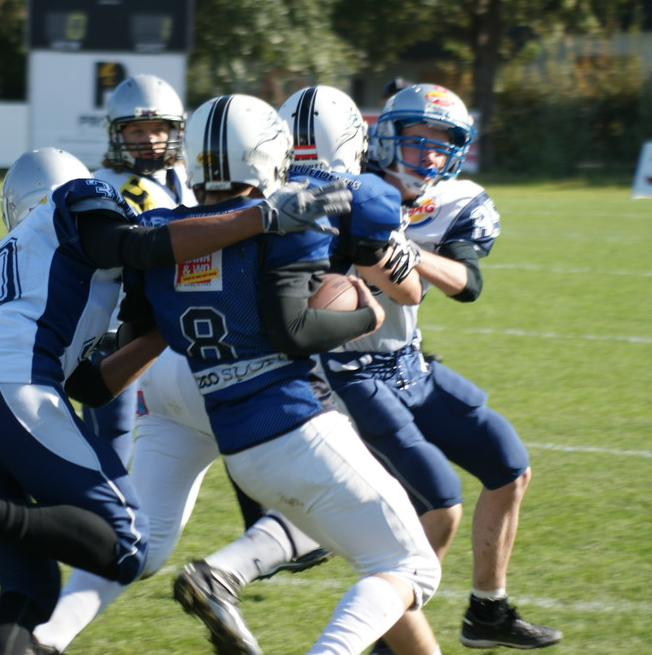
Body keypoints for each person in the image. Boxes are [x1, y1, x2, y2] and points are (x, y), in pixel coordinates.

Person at [26, 85, 420, 655]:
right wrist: (364, 305)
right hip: (253, 389)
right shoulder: (306, 205)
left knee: (146, 539)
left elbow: (137, 307)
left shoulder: (162, 218)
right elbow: (380, 288)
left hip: (169, 371)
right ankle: (228, 573)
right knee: (357, 527)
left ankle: (48, 638)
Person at [0, 144, 353, 655]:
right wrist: (264, 216)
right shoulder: (78, 203)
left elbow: (90, 386)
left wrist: (169, 327)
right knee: (128, 541)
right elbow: (138, 245)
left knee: (29, 589)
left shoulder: (16, 268)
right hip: (13, 392)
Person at [135, 93, 441, 655]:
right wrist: (365, 312)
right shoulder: (305, 213)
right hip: (297, 424)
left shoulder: (165, 234)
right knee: (412, 568)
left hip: (240, 447)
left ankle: (227, 573)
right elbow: (297, 329)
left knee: (378, 562)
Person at [326, 82, 561, 651]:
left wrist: (405, 250)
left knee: (509, 467)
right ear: (387, 137)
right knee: (428, 508)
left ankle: (487, 611)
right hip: (343, 370)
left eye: (443, 143)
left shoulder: (456, 200)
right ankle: (389, 636)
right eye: (419, 139)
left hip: (408, 366)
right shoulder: (345, 191)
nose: (430, 154)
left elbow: (467, 284)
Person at [85, 74, 197, 467]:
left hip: (175, 330)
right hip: (118, 331)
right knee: (111, 440)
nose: (149, 139)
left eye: (158, 129)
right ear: (118, 133)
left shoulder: (186, 177)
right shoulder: (101, 186)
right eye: (137, 129)